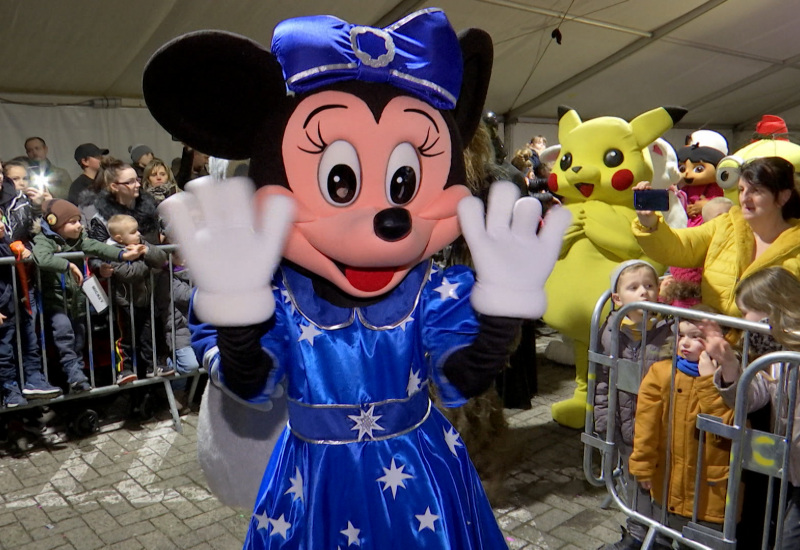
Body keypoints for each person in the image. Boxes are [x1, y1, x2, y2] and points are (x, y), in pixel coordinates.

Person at [633, 156, 800, 317]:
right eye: (741, 190)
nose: (745, 198)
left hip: (771, 344)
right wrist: (649, 222)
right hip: (712, 338)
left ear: (783, 196)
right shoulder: (725, 225)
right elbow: (678, 247)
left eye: (756, 191)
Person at [629, 310, 737, 549]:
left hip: (711, 494)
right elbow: (646, 425)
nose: (685, 343)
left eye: (696, 336)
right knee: (662, 537)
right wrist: (643, 465)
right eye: (681, 335)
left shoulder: (728, 379)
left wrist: (709, 382)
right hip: (667, 482)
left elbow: (726, 428)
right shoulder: (661, 372)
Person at [712, 267, 800, 549]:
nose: (742, 320)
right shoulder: (771, 349)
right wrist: (728, 364)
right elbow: (751, 398)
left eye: (745, 311)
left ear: (771, 308)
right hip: (793, 469)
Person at [595, 260, 674, 550]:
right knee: (635, 482)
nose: (644, 292)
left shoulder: (670, 329)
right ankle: (637, 535)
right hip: (628, 425)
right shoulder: (611, 331)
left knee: (661, 482)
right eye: (634, 287)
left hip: (661, 428)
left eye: (650, 285)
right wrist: (603, 419)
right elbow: (603, 379)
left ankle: (662, 539)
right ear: (617, 299)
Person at [32, 199, 143, 393]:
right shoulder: (44, 239)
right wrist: (67, 264)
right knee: (64, 335)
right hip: (56, 302)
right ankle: (74, 376)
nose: (79, 225)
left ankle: (77, 380)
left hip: (78, 300)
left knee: (79, 340)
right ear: (55, 223)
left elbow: (98, 247)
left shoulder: (79, 238)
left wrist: (122, 255)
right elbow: (41, 257)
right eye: (72, 222)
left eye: (79, 220)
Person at [103, 214, 169, 383]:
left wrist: (146, 251)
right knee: (125, 339)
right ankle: (123, 370)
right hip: (125, 303)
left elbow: (161, 258)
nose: (138, 234)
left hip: (145, 300)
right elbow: (128, 273)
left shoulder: (140, 244)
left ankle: (152, 366)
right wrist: (149, 264)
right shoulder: (112, 252)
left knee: (148, 337)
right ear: (119, 238)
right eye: (133, 232)